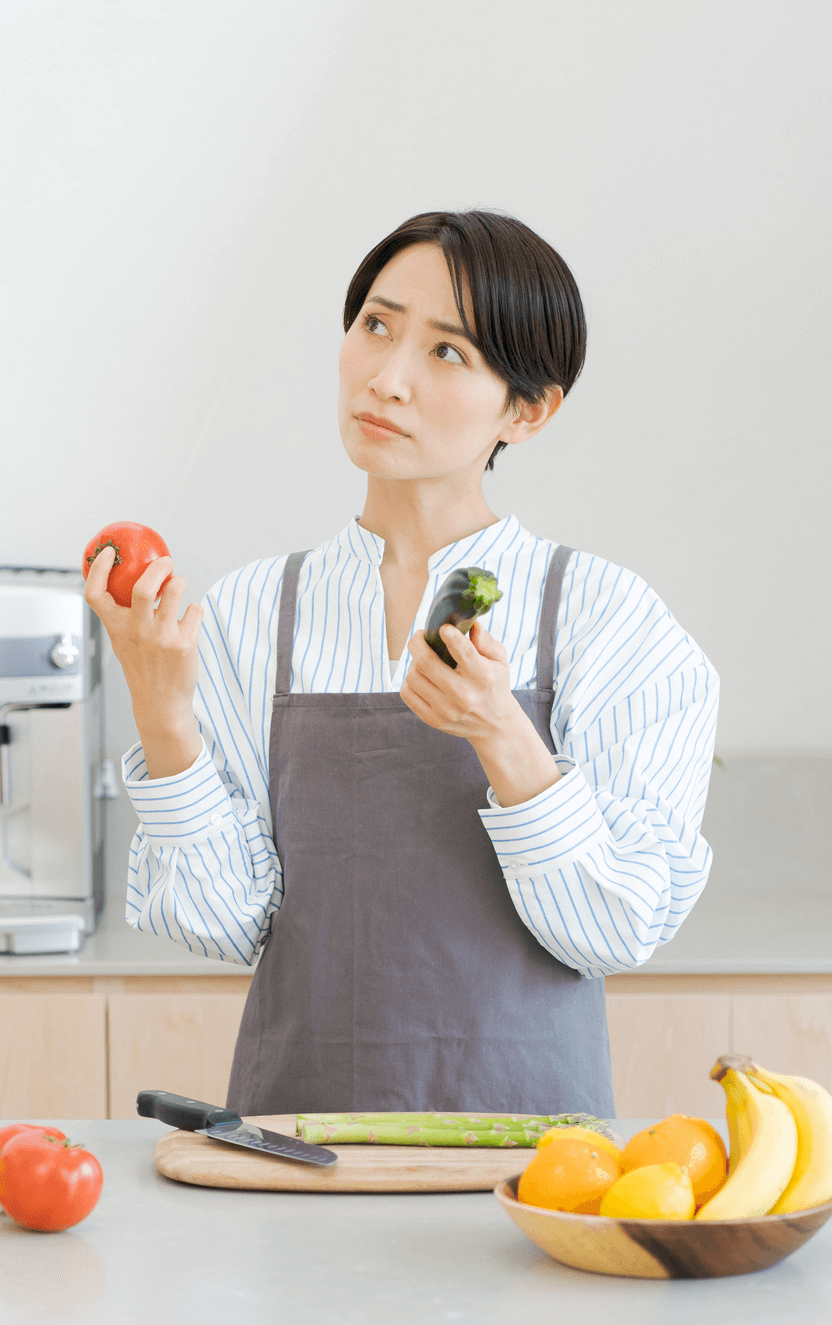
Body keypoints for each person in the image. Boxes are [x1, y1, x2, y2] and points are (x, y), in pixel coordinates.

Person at [86, 209, 719, 1118]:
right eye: (376, 326)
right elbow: (222, 924)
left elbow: (613, 927)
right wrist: (163, 715)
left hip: (531, 1171)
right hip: (299, 1149)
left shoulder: (607, 620)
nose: (385, 379)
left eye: (447, 353)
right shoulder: (253, 612)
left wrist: (505, 737)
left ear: (529, 410)